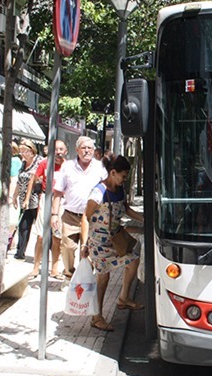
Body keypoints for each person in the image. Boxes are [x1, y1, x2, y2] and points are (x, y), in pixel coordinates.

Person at [81, 155, 144, 331]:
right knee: (103, 277)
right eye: (123, 176)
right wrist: (84, 245)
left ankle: (123, 299)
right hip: (98, 241)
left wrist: (144, 219)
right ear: (113, 172)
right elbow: (85, 218)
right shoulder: (98, 192)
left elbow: (126, 209)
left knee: (133, 260)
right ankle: (96, 316)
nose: (124, 180)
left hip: (116, 238)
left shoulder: (120, 189)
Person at [51, 136, 107, 279]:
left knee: (89, 251)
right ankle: (69, 274)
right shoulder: (68, 166)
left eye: (90, 148)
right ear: (77, 150)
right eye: (84, 148)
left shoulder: (100, 167)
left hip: (92, 218)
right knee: (67, 248)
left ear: (94, 151)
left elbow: (107, 189)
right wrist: (54, 215)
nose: (87, 151)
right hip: (70, 216)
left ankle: (85, 281)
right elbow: (58, 192)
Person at [26, 139, 68, 279]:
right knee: (40, 236)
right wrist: (27, 199)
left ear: (65, 152)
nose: (58, 152)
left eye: (61, 149)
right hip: (46, 199)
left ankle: (54, 270)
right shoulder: (44, 163)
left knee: (57, 237)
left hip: (61, 202)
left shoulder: (68, 166)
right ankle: (36, 267)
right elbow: (33, 179)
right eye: (56, 149)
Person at [13, 139, 42, 260]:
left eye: (24, 151)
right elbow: (20, 181)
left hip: (36, 199)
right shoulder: (23, 164)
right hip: (24, 200)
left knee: (41, 228)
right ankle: (20, 252)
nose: (22, 154)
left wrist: (27, 199)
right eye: (21, 152)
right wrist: (15, 196)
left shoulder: (39, 161)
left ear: (31, 150)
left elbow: (33, 180)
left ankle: (48, 251)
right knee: (23, 226)